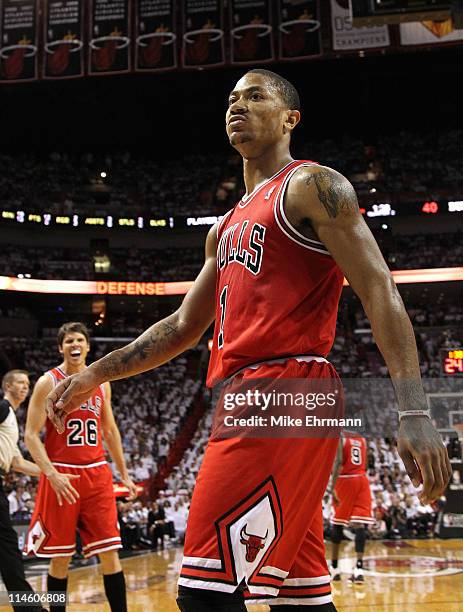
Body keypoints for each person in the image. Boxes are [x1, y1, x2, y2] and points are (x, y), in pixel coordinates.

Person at [45, 70, 451, 611]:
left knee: (202, 593)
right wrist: (96, 372)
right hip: (256, 394)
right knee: (299, 597)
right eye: (232, 99)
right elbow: (183, 327)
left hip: (281, 391)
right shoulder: (224, 227)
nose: (238, 106)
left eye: (256, 96)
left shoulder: (311, 185)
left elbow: (380, 292)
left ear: (290, 119)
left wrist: (414, 411)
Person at [24, 322, 137, 612]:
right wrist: (50, 473)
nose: (75, 345)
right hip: (62, 474)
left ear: (88, 346)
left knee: (110, 552)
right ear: (60, 347)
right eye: (69, 340)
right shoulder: (47, 382)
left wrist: (124, 474)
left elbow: (110, 431)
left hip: (97, 473)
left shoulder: (102, 383)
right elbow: (30, 434)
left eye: (80, 340)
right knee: (60, 558)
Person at [0, 370, 44, 612]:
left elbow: (17, 462)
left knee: (7, 551)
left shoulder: (12, 419)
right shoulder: (3, 408)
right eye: (20, 382)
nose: (25, 387)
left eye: (28, 383)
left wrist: (49, 471)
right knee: (8, 549)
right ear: (7, 385)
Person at [329, 432, 374, 583]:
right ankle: (359, 569)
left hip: (345, 480)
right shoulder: (361, 438)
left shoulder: (340, 436)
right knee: (359, 524)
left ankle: (335, 569)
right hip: (361, 479)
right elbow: (366, 464)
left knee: (338, 523)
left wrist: (333, 485)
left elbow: (339, 460)